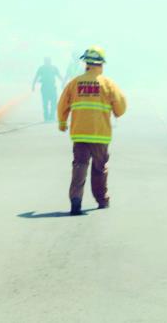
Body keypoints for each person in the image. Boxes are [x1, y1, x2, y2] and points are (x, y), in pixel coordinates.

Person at [57, 46, 126, 216]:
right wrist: (115, 111)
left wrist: (62, 123)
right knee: (99, 168)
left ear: (86, 63)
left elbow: (62, 105)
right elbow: (121, 106)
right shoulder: (108, 84)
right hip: (100, 135)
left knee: (79, 166)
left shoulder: (75, 83)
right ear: (101, 63)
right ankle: (102, 200)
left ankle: (75, 200)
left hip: (79, 133)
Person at [32, 57, 63, 122]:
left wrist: (63, 83)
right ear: (45, 61)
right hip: (45, 88)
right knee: (45, 103)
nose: (47, 62)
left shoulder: (53, 68)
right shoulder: (42, 68)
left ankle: (51, 116)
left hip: (51, 88)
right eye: (46, 61)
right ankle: (47, 117)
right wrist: (33, 85)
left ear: (50, 61)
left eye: (48, 61)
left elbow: (59, 76)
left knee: (53, 103)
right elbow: (36, 76)